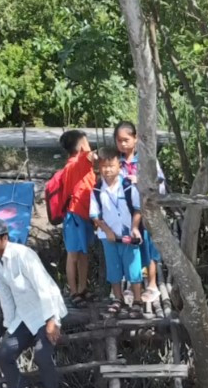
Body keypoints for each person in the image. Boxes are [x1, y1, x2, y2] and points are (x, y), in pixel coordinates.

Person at [0, 217, 67, 388]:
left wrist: (51, 319)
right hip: (24, 315)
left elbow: (43, 286)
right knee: (4, 354)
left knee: (42, 356)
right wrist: (9, 326)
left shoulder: (23, 255)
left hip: (44, 310)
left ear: (4, 238)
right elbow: (6, 296)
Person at [114, 121, 167, 305]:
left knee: (149, 248)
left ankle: (152, 284)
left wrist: (141, 181)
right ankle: (132, 284)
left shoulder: (147, 160)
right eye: (119, 141)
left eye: (126, 140)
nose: (123, 144)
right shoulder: (115, 162)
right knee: (131, 249)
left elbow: (160, 185)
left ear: (135, 139)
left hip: (147, 212)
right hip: (125, 215)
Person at [91, 147, 144, 318]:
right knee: (113, 268)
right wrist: (107, 231)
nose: (107, 170)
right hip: (109, 238)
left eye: (111, 166)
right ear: (99, 167)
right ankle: (118, 298)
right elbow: (95, 215)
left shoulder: (128, 186)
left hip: (128, 235)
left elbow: (137, 209)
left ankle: (137, 300)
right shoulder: (97, 190)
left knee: (133, 267)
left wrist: (135, 228)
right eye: (103, 166)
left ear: (119, 166)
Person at [60, 129, 98, 305]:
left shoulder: (76, 163)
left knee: (83, 253)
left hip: (85, 213)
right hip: (74, 214)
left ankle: (83, 288)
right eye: (87, 141)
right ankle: (74, 291)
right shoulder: (78, 162)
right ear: (82, 145)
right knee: (73, 254)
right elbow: (92, 156)